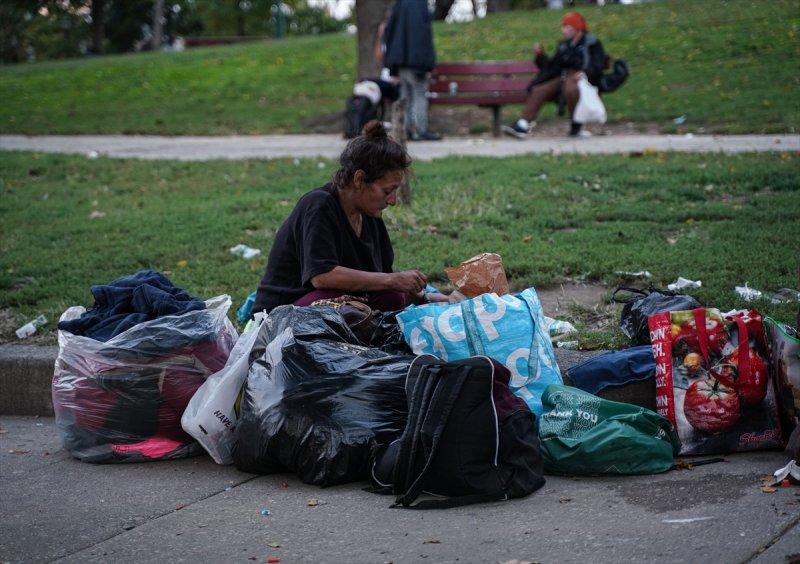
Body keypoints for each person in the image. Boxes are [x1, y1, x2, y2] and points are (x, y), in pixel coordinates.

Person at [252, 121, 449, 315]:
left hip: (334, 303)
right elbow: (322, 277)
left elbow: (377, 282)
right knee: (350, 308)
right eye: (387, 191)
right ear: (359, 179)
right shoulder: (319, 205)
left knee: (392, 298)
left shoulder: (370, 214)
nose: (392, 201)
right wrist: (393, 280)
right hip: (282, 314)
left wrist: (423, 298)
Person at [503, 12, 606, 139]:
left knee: (571, 89)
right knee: (539, 91)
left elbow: (598, 64)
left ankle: (577, 125)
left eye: (567, 26)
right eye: (563, 26)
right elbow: (552, 67)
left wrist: (585, 73)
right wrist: (540, 56)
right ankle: (522, 125)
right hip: (562, 78)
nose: (563, 30)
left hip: (582, 78)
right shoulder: (564, 45)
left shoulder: (592, 43)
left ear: (576, 28)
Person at [382, 0, 442, 141]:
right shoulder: (420, 4)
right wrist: (427, 61)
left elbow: (389, 30)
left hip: (400, 59)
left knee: (405, 95)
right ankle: (421, 130)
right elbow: (423, 34)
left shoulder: (400, 4)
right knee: (419, 94)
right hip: (416, 60)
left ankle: (405, 129)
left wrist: (392, 60)